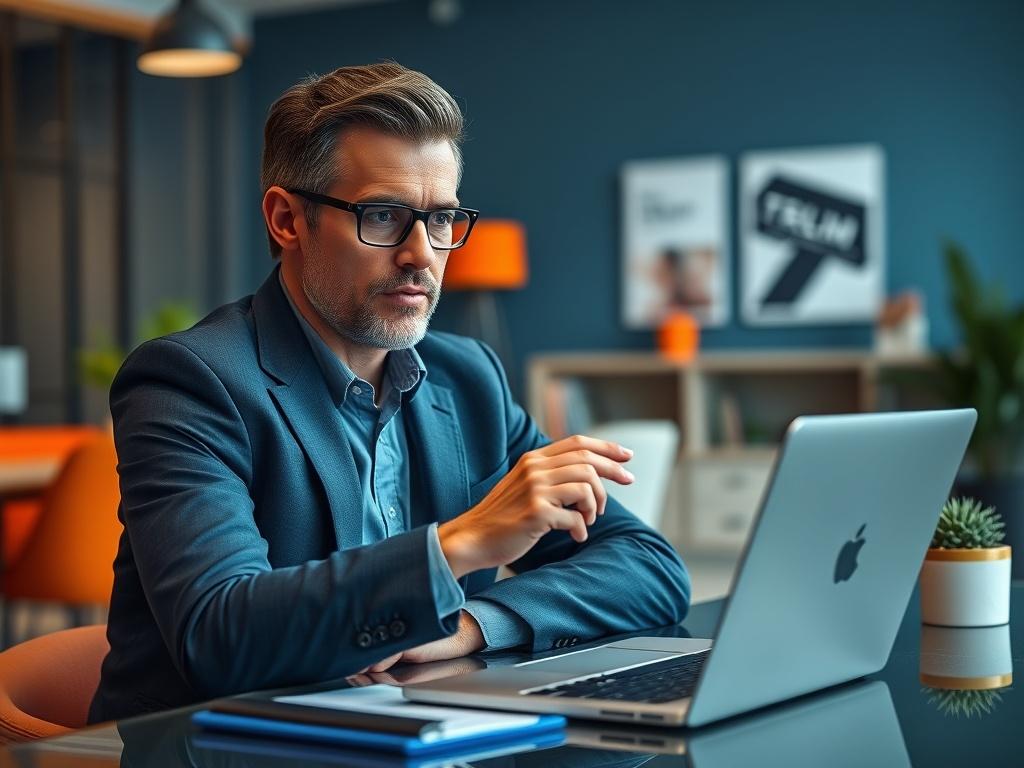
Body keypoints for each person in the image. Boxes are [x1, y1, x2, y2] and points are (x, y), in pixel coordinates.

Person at [88, 62, 690, 724]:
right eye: (383, 215)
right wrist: (458, 546)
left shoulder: (469, 379)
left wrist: (468, 624)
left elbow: (649, 567)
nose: (422, 254)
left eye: (442, 220)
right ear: (287, 219)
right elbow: (218, 636)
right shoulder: (191, 380)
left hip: (414, 734)